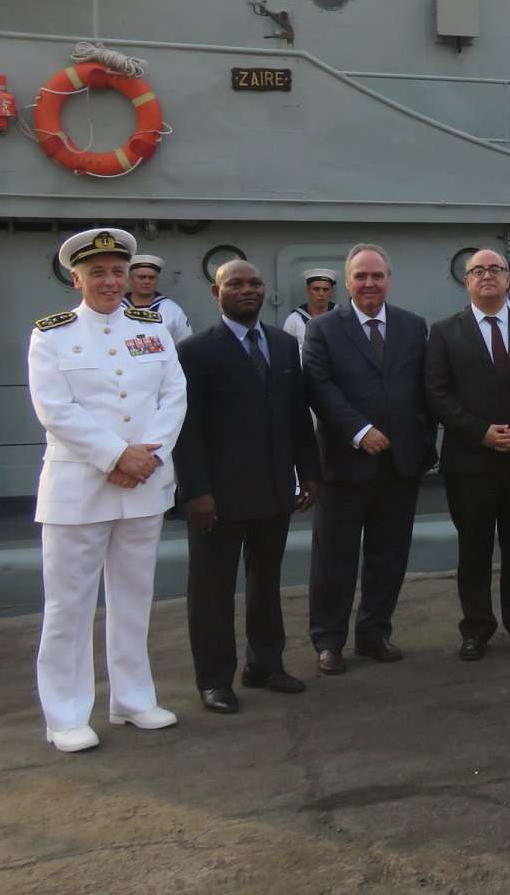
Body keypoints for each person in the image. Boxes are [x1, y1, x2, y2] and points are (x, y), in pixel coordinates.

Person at [28, 228, 187, 752]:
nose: (110, 281)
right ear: (76, 279)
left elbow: (174, 395)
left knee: (134, 598)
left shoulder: (152, 329)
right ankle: (65, 714)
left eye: (118, 272)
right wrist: (118, 456)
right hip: (79, 489)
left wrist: (147, 457)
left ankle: (133, 699)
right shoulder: (51, 335)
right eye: (97, 273)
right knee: (68, 606)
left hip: (143, 486)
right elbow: (55, 410)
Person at [174, 260, 320, 715]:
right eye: (234, 283)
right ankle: (214, 679)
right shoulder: (195, 351)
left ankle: (265, 665)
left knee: (266, 584)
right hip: (217, 496)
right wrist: (195, 491)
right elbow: (185, 429)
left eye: (254, 283)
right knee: (212, 591)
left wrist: (309, 471)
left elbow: (296, 415)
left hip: (274, 488)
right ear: (216, 293)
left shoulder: (282, 344)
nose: (247, 290)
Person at [302, 244, 436, 674]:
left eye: (377, 275)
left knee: (388, 556)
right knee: (334, 559)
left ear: (389, 280)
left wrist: (422, 441)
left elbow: (425, 388)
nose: (369, 283)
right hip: (344, 464)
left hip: (400, 464)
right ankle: (329, 641)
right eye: (360, 276)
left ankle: (375, 633)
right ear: (348, 282)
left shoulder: (413, 327)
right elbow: (319, 386)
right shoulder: (323, 328)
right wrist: (359, 431)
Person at [424, 249, 510, 659]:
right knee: (474, 550)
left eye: (495, 269)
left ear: (508, 279)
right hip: (469, 463)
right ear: (466, 281)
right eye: (477, 270)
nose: (487, 275)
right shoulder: (444, 332)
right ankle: (476, 628)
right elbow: (437, 393)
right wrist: (480, 433)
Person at [125, 254, 193, 346]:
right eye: (141, 277)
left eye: (151, 278)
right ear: (130, 280)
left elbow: (185, 344)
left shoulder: (172, 310)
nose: (147, 281)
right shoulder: (116, 308)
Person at [282, 268, 338, 343]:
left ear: (331, 292)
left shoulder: (340, 317)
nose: (321, 294)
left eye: (325, 289)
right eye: (316, 289)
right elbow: (285, 347)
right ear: (308, 290)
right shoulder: (294, 320)